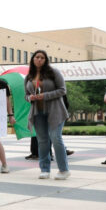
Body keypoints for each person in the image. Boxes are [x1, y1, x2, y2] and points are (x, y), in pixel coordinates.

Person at [25, 50, 70, 180]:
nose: (39, 59)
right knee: (42, 141)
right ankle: (45, 169)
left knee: (56, 138)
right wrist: (30, 98)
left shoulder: (53, 72)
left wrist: (44, 96)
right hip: (37, 112)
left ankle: (64, 170)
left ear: (46, 60)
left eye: (42, 57)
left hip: (55, 111)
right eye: (37, 57)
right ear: (33, 59)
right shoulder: (29, 76)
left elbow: (62, 90)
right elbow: (26, 95)